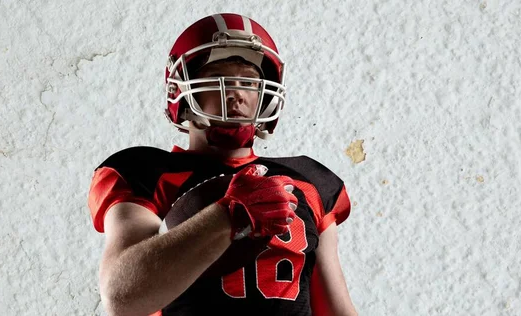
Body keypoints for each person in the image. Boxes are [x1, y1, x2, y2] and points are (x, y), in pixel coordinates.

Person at [87, 13, 358, 316]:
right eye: (219, 79)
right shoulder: (146, 172)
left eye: (248, 82)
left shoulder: (309, 180)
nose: (236, 93)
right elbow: (122, 298)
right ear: (181, 91)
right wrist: (225, 216)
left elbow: (336, 309)